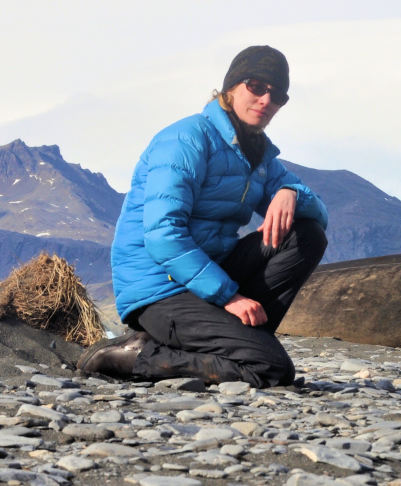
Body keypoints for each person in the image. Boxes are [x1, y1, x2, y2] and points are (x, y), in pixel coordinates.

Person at [77, 46, 328, 388]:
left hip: (208, 275)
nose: (266, 100)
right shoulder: (186, 140)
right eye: (256, 86)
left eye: (278, 95)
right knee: (271, 369)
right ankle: (136, 358)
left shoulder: (259, 154)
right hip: (159, 287)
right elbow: (163, 235)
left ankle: (240, 341)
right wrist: (230, 297)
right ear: (231, 87)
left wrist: (292, 193)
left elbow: (320, 215)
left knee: (307, 233)